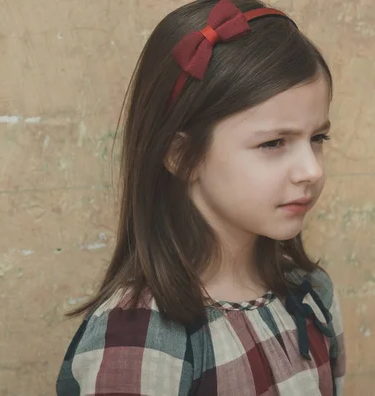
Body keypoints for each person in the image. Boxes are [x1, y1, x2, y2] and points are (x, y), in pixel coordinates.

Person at [56, 0, 346, 394]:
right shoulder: (144, 336)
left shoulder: (311, 292)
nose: (311, 170)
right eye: (274, 142)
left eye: (317, 138)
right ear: (181, 155)